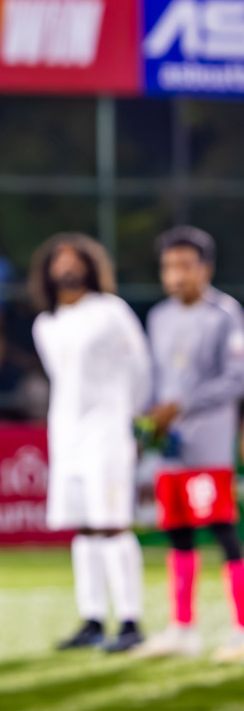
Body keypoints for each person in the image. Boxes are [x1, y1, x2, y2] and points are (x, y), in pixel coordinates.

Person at [29, 233, 149, 653]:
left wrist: (133, 421)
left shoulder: (110, 311)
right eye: (58, 260)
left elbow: (139, 367)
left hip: (107, 430)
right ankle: (93, 617)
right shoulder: (46, 324)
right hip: (67, 433)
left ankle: (131, 620)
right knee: (82, 527)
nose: (66, 267)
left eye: (74, 260)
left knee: (112, 523)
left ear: (90, 265)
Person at [133, 226, 244, 661]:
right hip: (170, 446)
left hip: (209, 444)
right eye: (168, 267)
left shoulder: (226, 314)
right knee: (176, 532)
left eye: (185, 265)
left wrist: (179, 406)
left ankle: (242, 628)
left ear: (205, 269)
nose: (176, 275)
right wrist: (149, 417)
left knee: (222, 530)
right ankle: (183, 628)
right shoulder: (159, 317)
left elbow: (235, 378)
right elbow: (154, 378)